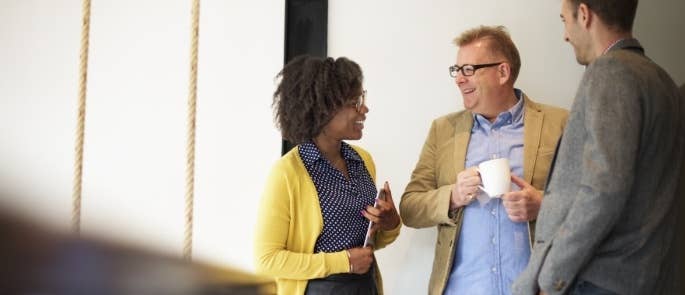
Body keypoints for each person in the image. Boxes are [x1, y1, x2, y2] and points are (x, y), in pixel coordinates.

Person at [512, 0, 684, 294]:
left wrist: (552, 278)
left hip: (600, 282)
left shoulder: (610, 72)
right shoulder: (663, 81)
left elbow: (602, 190)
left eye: (564, 20)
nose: (565, 35)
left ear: (584, 14)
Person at [399, 25, 568, 295]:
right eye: (457, 70)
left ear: (503, 72)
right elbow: (409, 208)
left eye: (469, 69)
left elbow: (592, 202)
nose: (459, 79)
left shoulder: (560, 123)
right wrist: (452, 196)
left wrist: (544, 205)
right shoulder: (443, 130)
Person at [254, 55, 401, 295]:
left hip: (365, 287)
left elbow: (368, 245)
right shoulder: (287, 173)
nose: (364, 109)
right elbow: (267, 259)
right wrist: (344, 262)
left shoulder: (362, 160)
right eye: (354, 102)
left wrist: (390, 223)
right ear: (323, 109)